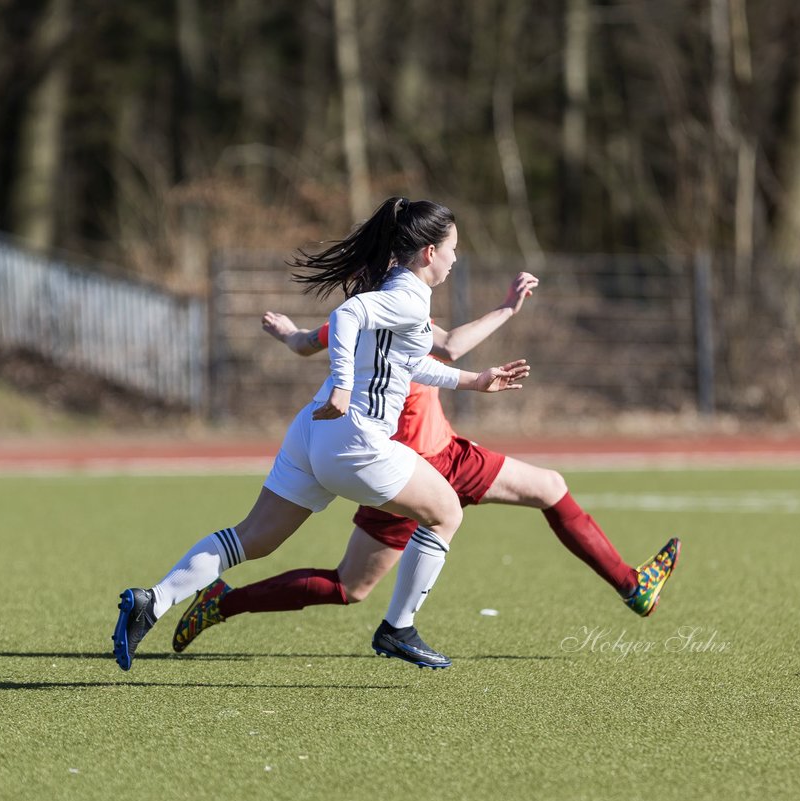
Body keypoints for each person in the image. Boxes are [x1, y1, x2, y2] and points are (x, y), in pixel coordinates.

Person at [113, 196, 532, 671]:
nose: (457, 258)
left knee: (251, 538)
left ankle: (153, 600)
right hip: (354, 440)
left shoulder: (401, 292)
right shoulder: (406, 295)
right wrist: (344, 384)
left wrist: (474, 381)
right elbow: (349, 317)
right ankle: (398, 629)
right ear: (429, 253)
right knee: (446, 512)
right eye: (454, 248)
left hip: (312, 433)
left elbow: (407, 363)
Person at [168, 276, 680, 657]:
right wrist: (504, 311)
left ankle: (633, 588)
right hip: (402, 472)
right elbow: (452, 345)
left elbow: (310, 344)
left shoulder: (364, 316)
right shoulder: (397, 315)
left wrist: (288, 333)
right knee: (351, 587)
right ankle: (223, 603)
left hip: (447, 455)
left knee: (549, 487)